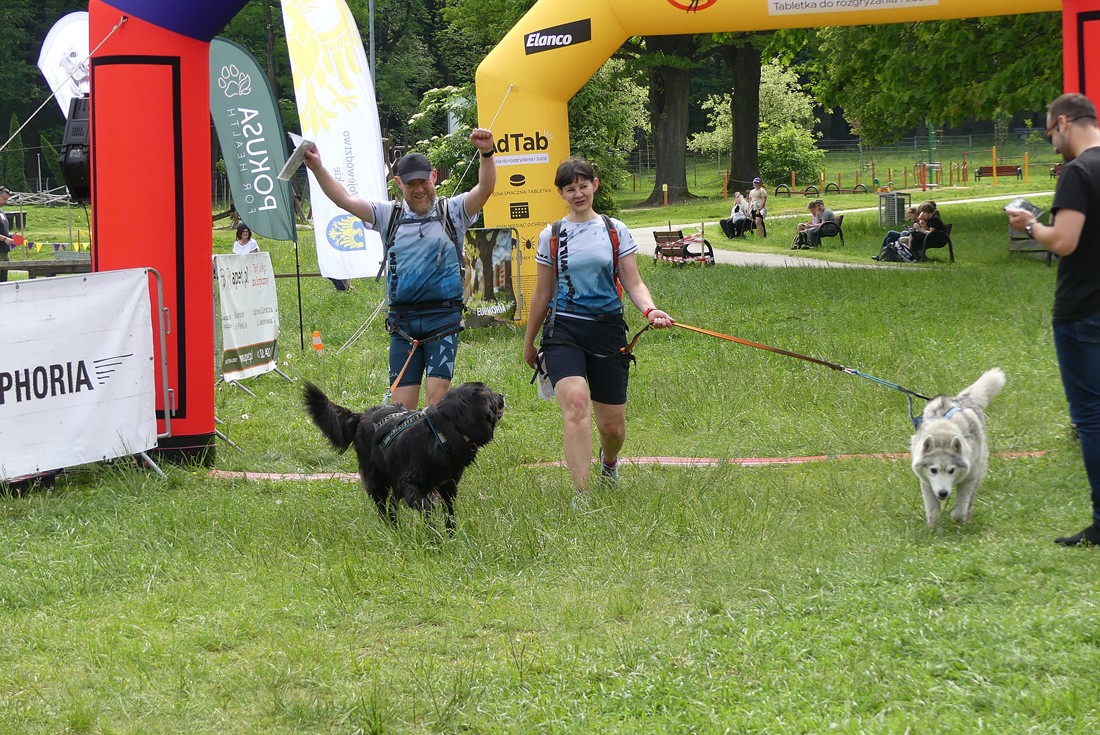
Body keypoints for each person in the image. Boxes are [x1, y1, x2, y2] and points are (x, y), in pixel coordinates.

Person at [303, 129, 496, 408]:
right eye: (410, 184)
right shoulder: (388, 214)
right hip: (402, 322)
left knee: (436, 401)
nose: (419, 190)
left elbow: (486, 188)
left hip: (443, 318)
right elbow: (344, 199)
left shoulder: (453, 211)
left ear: (434, 177)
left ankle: (435, 438)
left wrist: (486, 153)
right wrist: (318, 168)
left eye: (423, 182)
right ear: (398, 184)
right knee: (400, 408)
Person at [523, 157, 673, 498]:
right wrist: (529, 341)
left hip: (608, 331)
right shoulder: (551, 235)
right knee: (576, 404)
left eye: (583, 186)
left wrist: (650, 310)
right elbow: (543, 293)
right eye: (570, 189)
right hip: (564, 330)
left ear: (595, 185)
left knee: (613, 427)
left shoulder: (614, 229)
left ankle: (609, 462)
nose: (578, 194)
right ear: (561, 193)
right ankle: (582, 496)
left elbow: (633, 282)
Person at [1006, 93, 1100, 547]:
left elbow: (1063, 241)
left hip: (1082, 310)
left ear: (1063, 123)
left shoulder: (1078, 172)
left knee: (1092, 417)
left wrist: (1028, 224)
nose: (1052, 144)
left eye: (1048, 134)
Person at [0, 186, 17, 283]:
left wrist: (10, 236)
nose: (6, 202)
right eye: (4, 199)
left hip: (4, 251)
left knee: (4, 282)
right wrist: (5, 239)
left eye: (7, 199)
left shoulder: (2, 212)